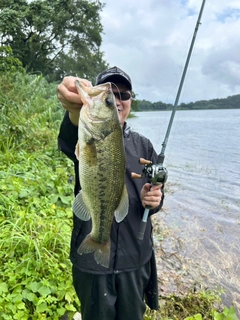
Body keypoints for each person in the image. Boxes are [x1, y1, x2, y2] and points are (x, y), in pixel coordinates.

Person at [57, 66, 164, 320]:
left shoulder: (145, 146)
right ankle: (98, 238)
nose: (116, 100)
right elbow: (70, 137)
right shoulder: (86, 133)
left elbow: (155, 194)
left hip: (135, 259)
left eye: (123, 95)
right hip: (92, 269)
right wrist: (73, 108)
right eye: (110, 96)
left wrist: (156, 200)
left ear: (130, 101)